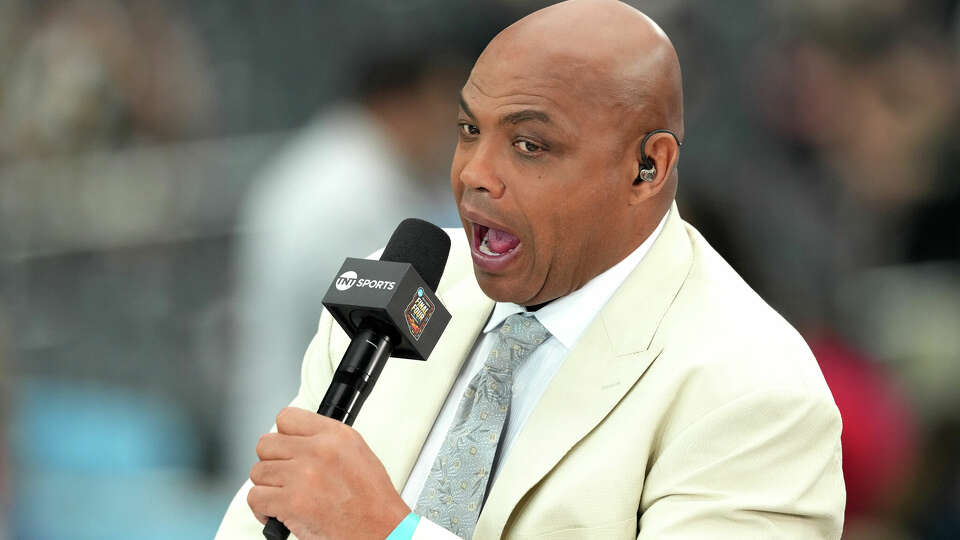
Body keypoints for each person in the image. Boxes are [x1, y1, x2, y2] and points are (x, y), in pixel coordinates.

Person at [217, 1, 845, 538]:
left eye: (529, 145)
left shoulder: (754, 390)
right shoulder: (408, 280)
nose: (473, 174)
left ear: (646, 168)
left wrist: (392, 532)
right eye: (468, 129)